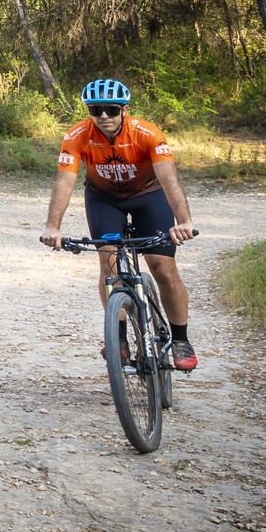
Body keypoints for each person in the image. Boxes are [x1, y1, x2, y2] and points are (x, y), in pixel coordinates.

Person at [38, 78, 200, 371]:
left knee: (163, 268)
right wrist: (52, 226)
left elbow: (169, 180)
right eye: (96, 110)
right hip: (104, 200)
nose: (104, 116)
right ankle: (119, 340)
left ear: (124, 110)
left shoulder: (147, 133)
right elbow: (64, 181)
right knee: (109, 264)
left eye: (111, 109)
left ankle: (180, 339)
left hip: (149, 197)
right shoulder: (76, 135)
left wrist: (184, 221)